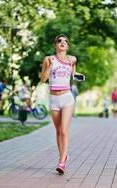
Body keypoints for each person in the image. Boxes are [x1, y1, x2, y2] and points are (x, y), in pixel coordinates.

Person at [41, 34, 83, 174]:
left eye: (65, 41)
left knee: (64, 131)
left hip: (67, 98)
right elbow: (43, 79)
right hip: (54, 99)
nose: (62, 42)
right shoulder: (49, 59)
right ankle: (63, 156)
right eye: (59, 41)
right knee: (58, 131)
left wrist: (80, 77)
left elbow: (74, 75)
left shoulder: (72, 60)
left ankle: (62, 162)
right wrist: (49, 66)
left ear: (68, 46)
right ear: (55, 45)